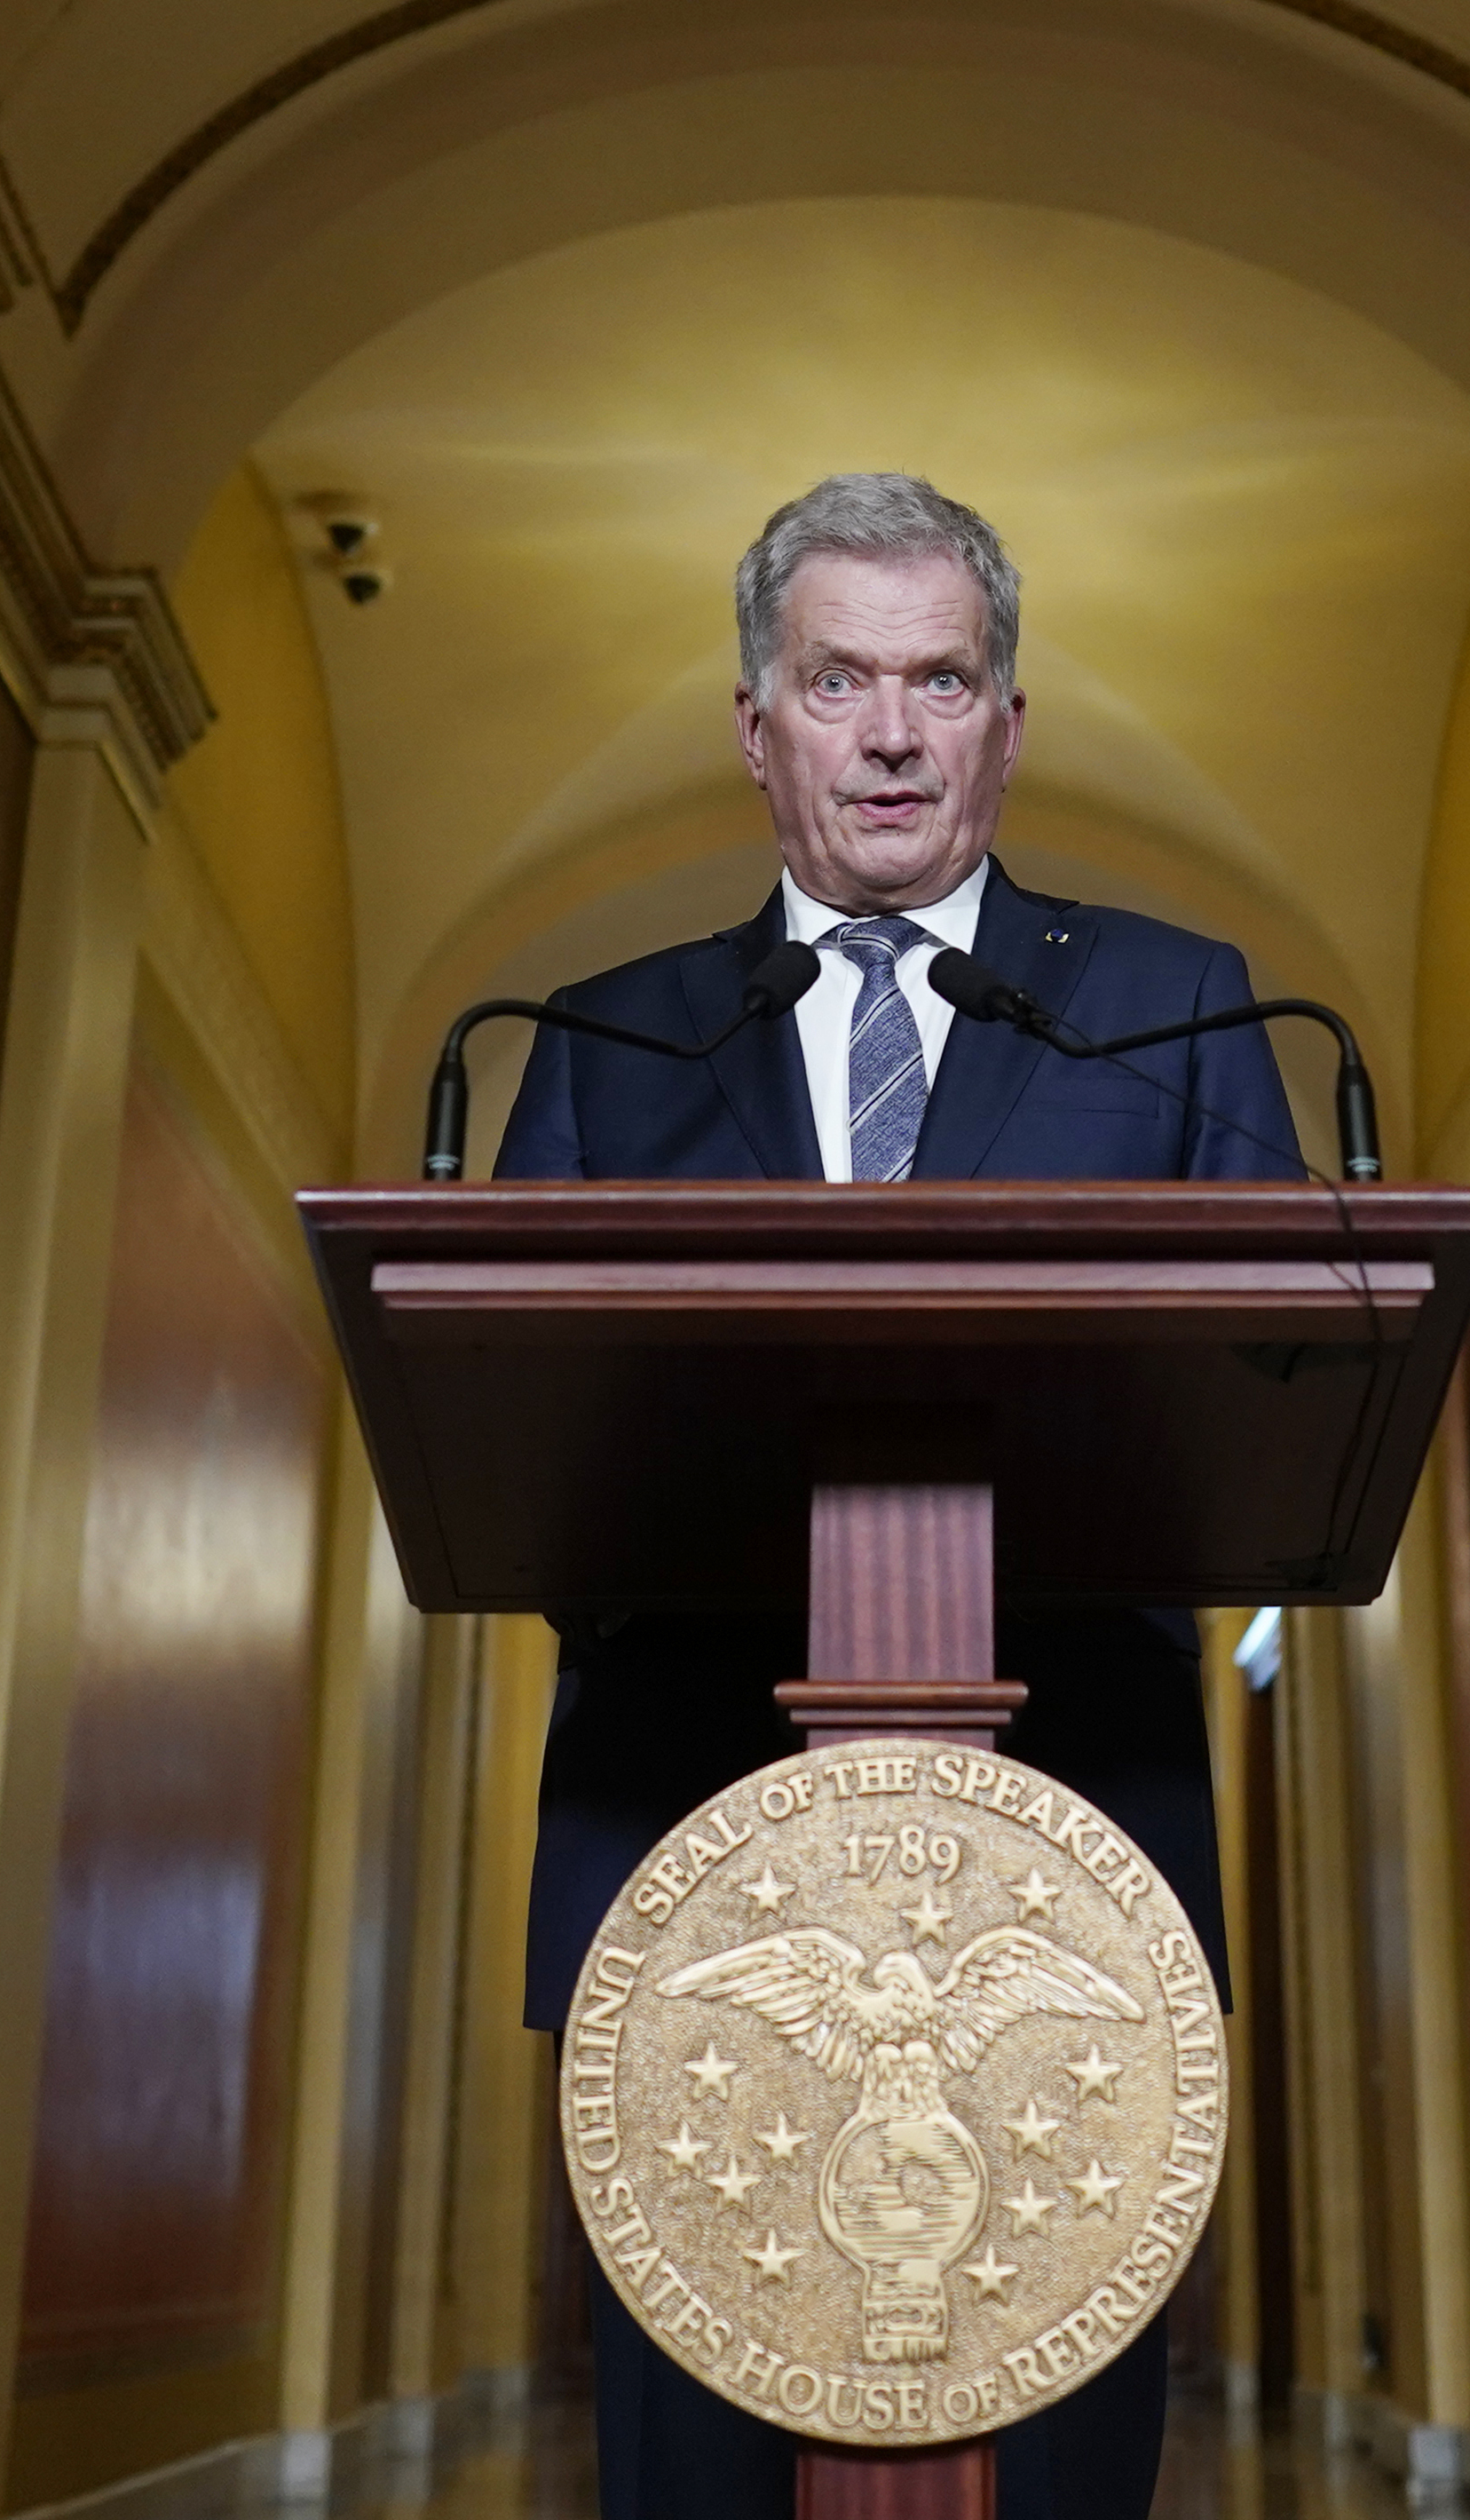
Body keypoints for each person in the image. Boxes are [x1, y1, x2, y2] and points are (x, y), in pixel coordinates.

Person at [496, 472, 1302, 2520]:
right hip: (693, 1831)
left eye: (937, 679)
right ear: (755, 723)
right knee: (697, 2440)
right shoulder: (602, 1042)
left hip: (1071, 1840)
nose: (886, 729)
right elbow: (514, 1434)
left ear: (1004, 726)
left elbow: (1276, 1397)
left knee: (1046, 2429)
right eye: (834, 677)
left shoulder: (1179, 1002)